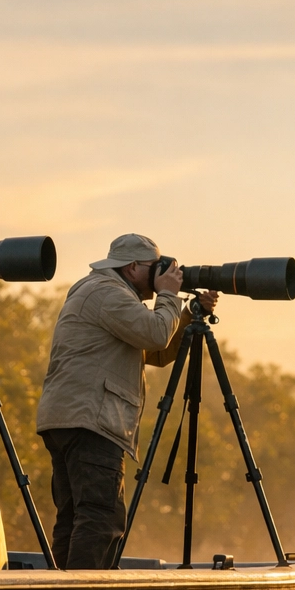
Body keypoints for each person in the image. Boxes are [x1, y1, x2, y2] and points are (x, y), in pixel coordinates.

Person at [35, 233, 218, 569]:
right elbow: (156, 334)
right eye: (156, 267)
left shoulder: (101, 292)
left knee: (77, 516)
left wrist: (189, 313)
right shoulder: (107, 293)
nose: (163, 273)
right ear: (133, 267)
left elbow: (157, 353)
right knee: (101, 518)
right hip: (91, 420)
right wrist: (167, 295)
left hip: (71, 417)